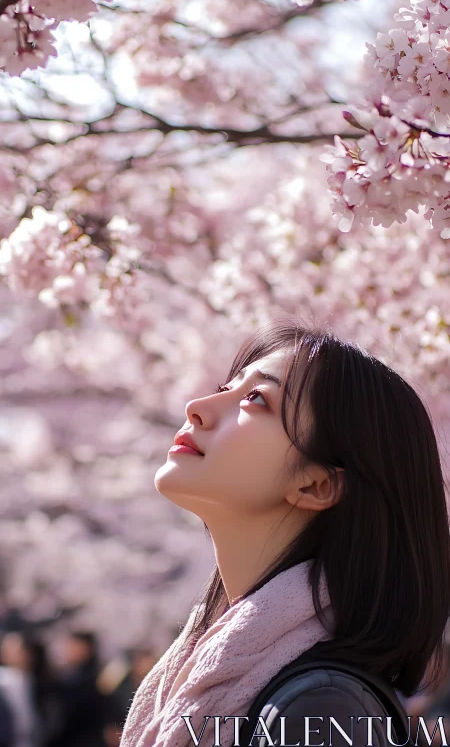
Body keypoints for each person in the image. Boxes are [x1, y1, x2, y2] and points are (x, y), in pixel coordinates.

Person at [119, 318, 450, 747]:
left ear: (317, 484)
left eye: (256, 398)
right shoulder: (221, 670)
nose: (197, 407)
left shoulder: (321, 710)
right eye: (226, 389)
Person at [51, 631, 106, 747]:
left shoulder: (98, 679)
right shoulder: (66, 677)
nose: (68, 650)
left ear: (86, 648)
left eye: (73, 646)